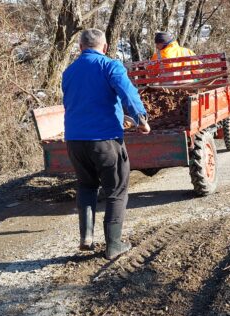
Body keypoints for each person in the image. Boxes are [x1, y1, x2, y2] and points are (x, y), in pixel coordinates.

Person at [61, 29, 150, 260]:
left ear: (80, 48)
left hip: (74, 141)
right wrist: (140, 119)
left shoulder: (69, 72)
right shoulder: (111, 66)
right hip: (105, 140)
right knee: (116, 190)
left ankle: (87, 237)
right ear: (105, 46)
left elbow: (80, 101)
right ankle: (113, 245)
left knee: (86, 185)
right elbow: (127, 93)